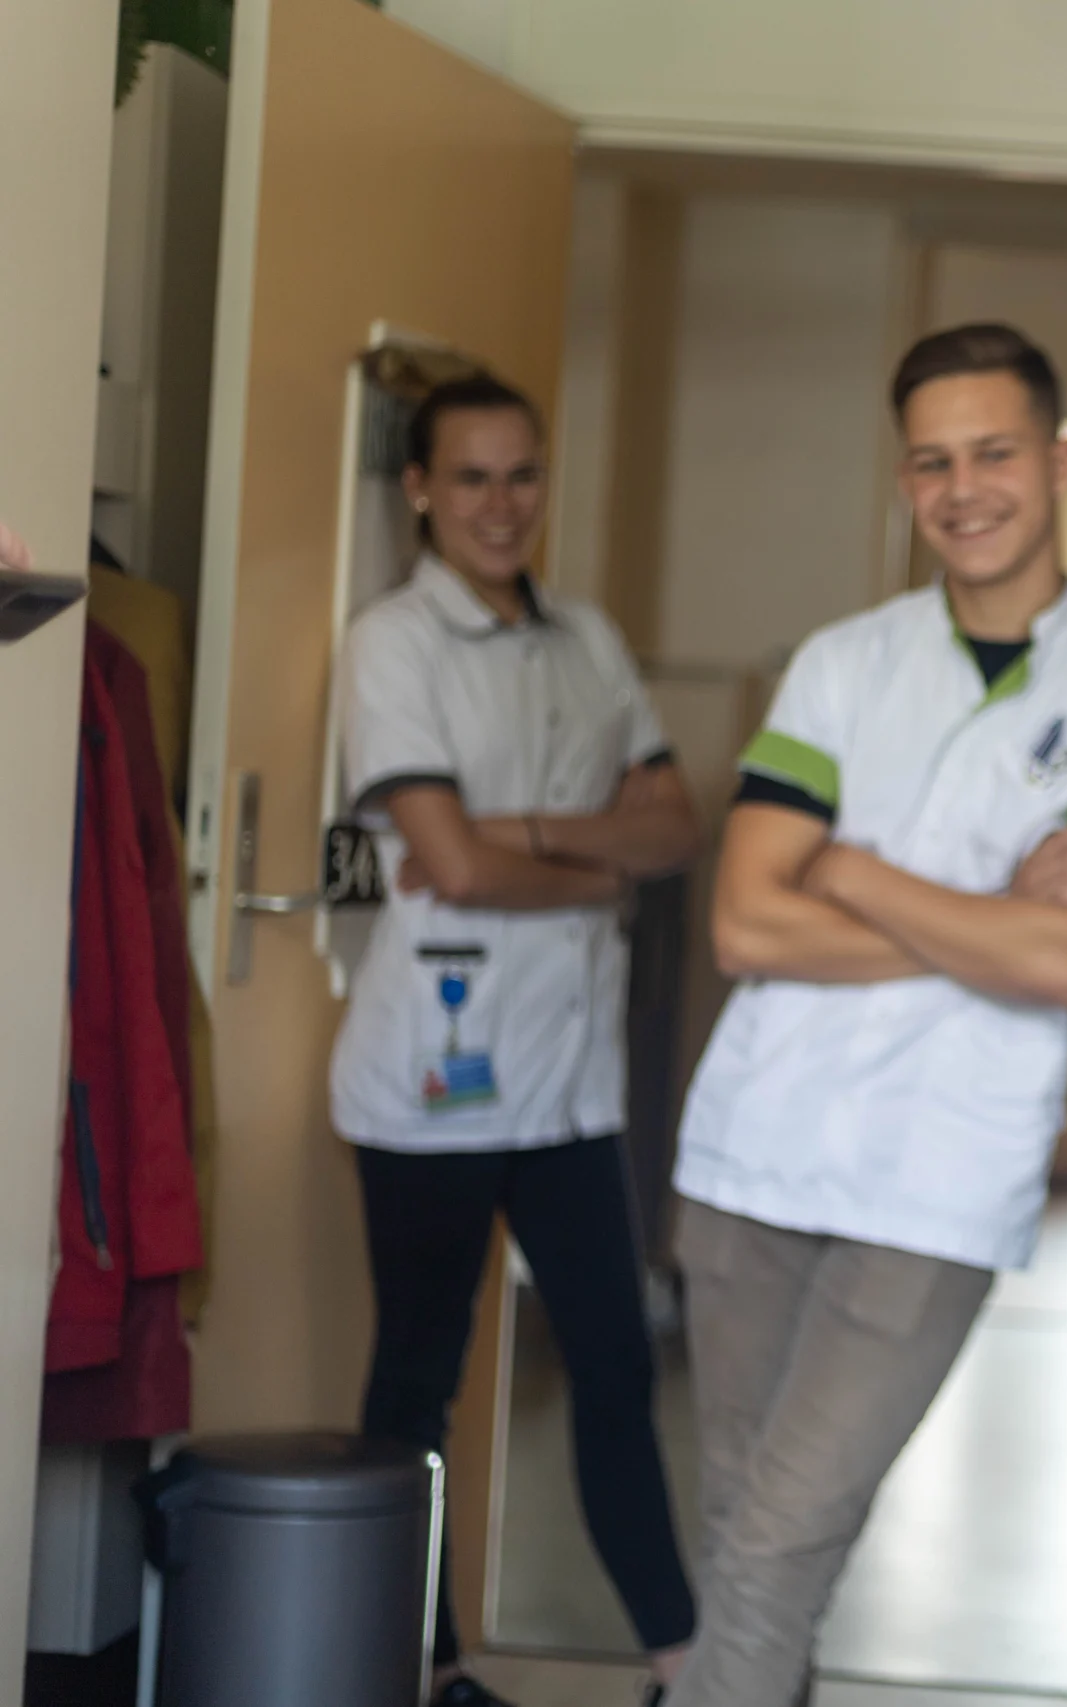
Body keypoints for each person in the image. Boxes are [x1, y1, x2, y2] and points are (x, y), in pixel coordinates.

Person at [668, 323, 1067, 1707]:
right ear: (906, 484)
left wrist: (861, 867)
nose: (964, 486)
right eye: (932, 460)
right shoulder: (843, 663)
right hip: (753, 1153)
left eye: (994, 450)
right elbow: (744, 920)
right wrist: (985, 910)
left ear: (1056, 463)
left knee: (775, 1540)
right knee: (744, 1537)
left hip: (936, 1183)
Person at [332, 374, 700, 1707]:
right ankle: (428, 1665)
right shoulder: (395, 643)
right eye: (473, 477)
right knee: (418, 1378)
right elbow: (445, 863)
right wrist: (594, 860)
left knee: (613, 1361)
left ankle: (683, 1659)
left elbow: (675, 828)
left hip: (566, 1081)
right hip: (429, 1084)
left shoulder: (586, 636)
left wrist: (532, 836)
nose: (503, 503)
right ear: (421, 488)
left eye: (523, 474)